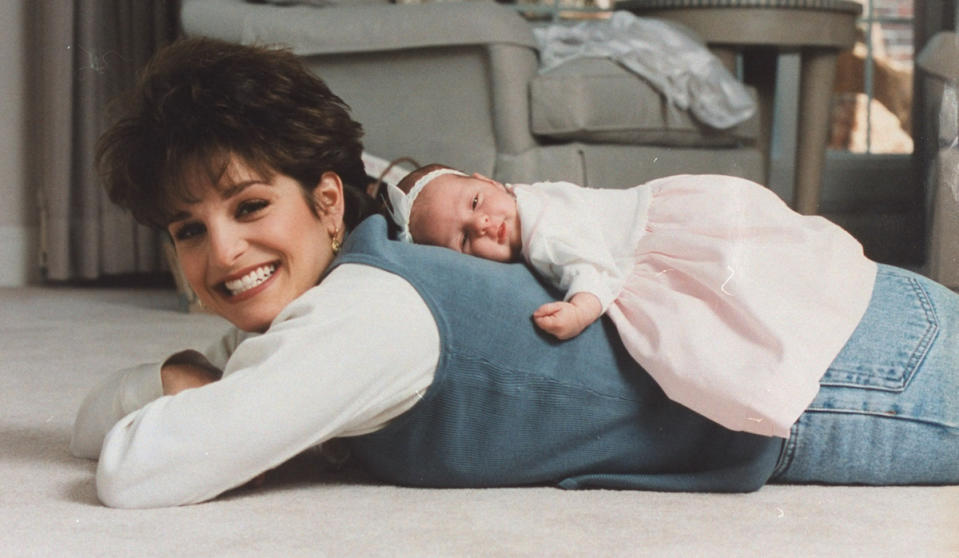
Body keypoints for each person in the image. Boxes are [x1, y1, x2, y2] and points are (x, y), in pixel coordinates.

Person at [71, 37, 959, 509]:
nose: (222, 252)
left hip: (856, 379)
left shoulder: (366, 317)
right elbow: (90, 421)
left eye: (250, 207)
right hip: (843, 334)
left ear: (330, 201)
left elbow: (136, 472)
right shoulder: (337, 302)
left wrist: (195, 385)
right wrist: (187, 373)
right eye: (188, 229)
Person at [385, 165, 876, 438]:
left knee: (706, 343)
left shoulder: (540, 231)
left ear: (486, 181)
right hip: (673, 213)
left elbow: (592, 267)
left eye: (475, 204)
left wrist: (581, 307)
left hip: (656, 241)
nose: (485, 225)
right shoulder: (521, 196)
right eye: (468, 241)